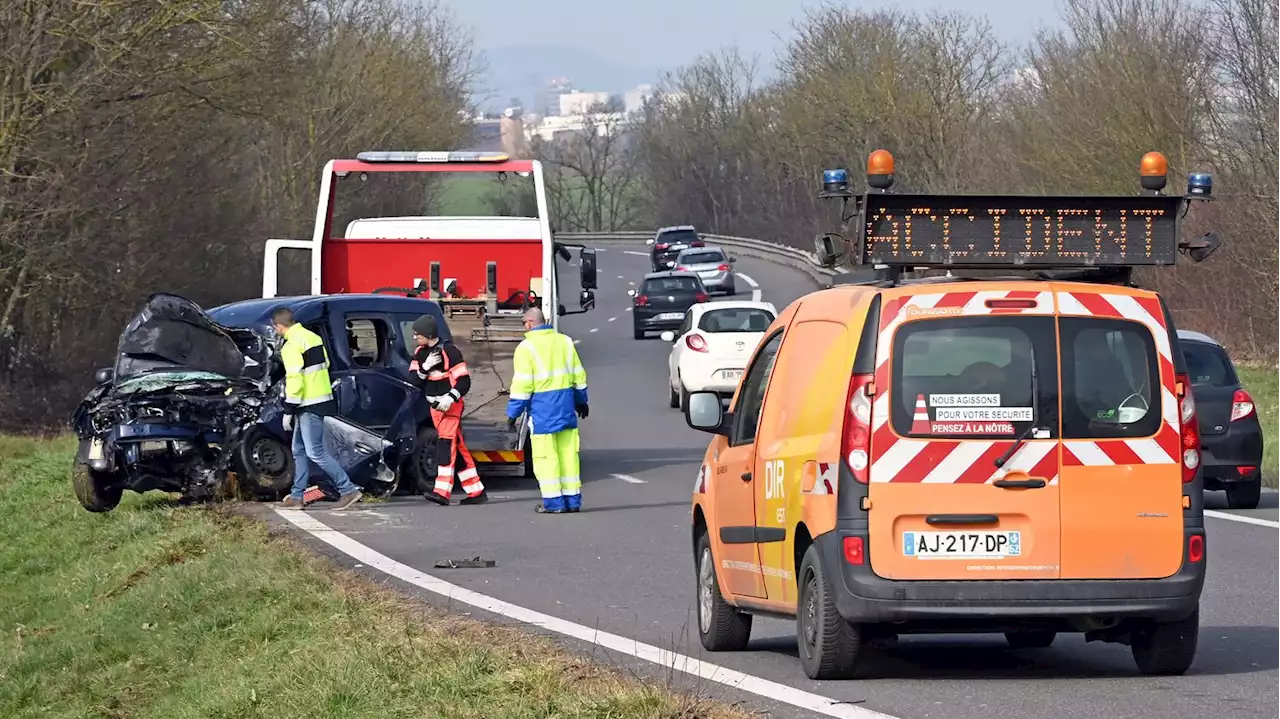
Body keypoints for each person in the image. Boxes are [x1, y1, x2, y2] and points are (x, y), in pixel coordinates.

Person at [272, 307, 363, 510]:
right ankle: (297, 496)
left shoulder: (291, 346)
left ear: (278, 326)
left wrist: (289, 407)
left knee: (315, 451)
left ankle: (348, 490)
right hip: (320, 398)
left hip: (307, 402)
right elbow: (326, 364)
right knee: (299, 449)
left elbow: (295, 377)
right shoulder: (312, 337)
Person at [506, 307, 588, 514]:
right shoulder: (565, 341)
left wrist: (512, 414)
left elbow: (523, 385)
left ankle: (554, 503)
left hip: (543, 412)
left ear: (529, 323)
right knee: (569, 456)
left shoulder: (526, 348)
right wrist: (581, 401)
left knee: (546, 458)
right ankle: (572, 502)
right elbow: (578, 374)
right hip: (566, 408)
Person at [409, 314, 488, 506]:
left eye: (417, 334)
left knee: (444, 445)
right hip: (435, 408)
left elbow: (464, 381)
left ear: (428, 334)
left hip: (451, 406)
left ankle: (441, 492)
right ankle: (476, 491)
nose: (414, 338)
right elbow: (413, 381)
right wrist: (424, 369)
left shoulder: (450, 351)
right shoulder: (420, 353)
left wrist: (450, 397)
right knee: (457, 449)